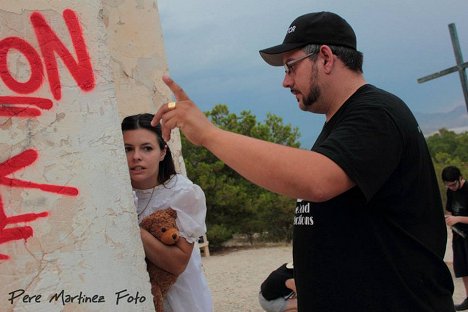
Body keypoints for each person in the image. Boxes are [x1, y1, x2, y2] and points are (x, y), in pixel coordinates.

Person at [152, 11, 455, 311]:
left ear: (325, 57)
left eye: (290, 67)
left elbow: (317, 180)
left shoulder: (375, 113)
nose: (285, 81)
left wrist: (209, 135)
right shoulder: (343, 123)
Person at [121, 113, 212, 312]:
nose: (136, 156)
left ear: (163, 152)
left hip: (181, 301)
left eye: (147, 148)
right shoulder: (117, 194)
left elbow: (177, 263)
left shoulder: (183, 193)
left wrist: (129, 224)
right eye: (128, 149)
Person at [443, 166, 468, 311]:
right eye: (447, 185)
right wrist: (448, 218)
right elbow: (449, 210)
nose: (451, 188)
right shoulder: (450, 192)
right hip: (458, 235)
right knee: (463, 268)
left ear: (460, 178)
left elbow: (456, 216)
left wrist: (457, 218)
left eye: (453, 184)